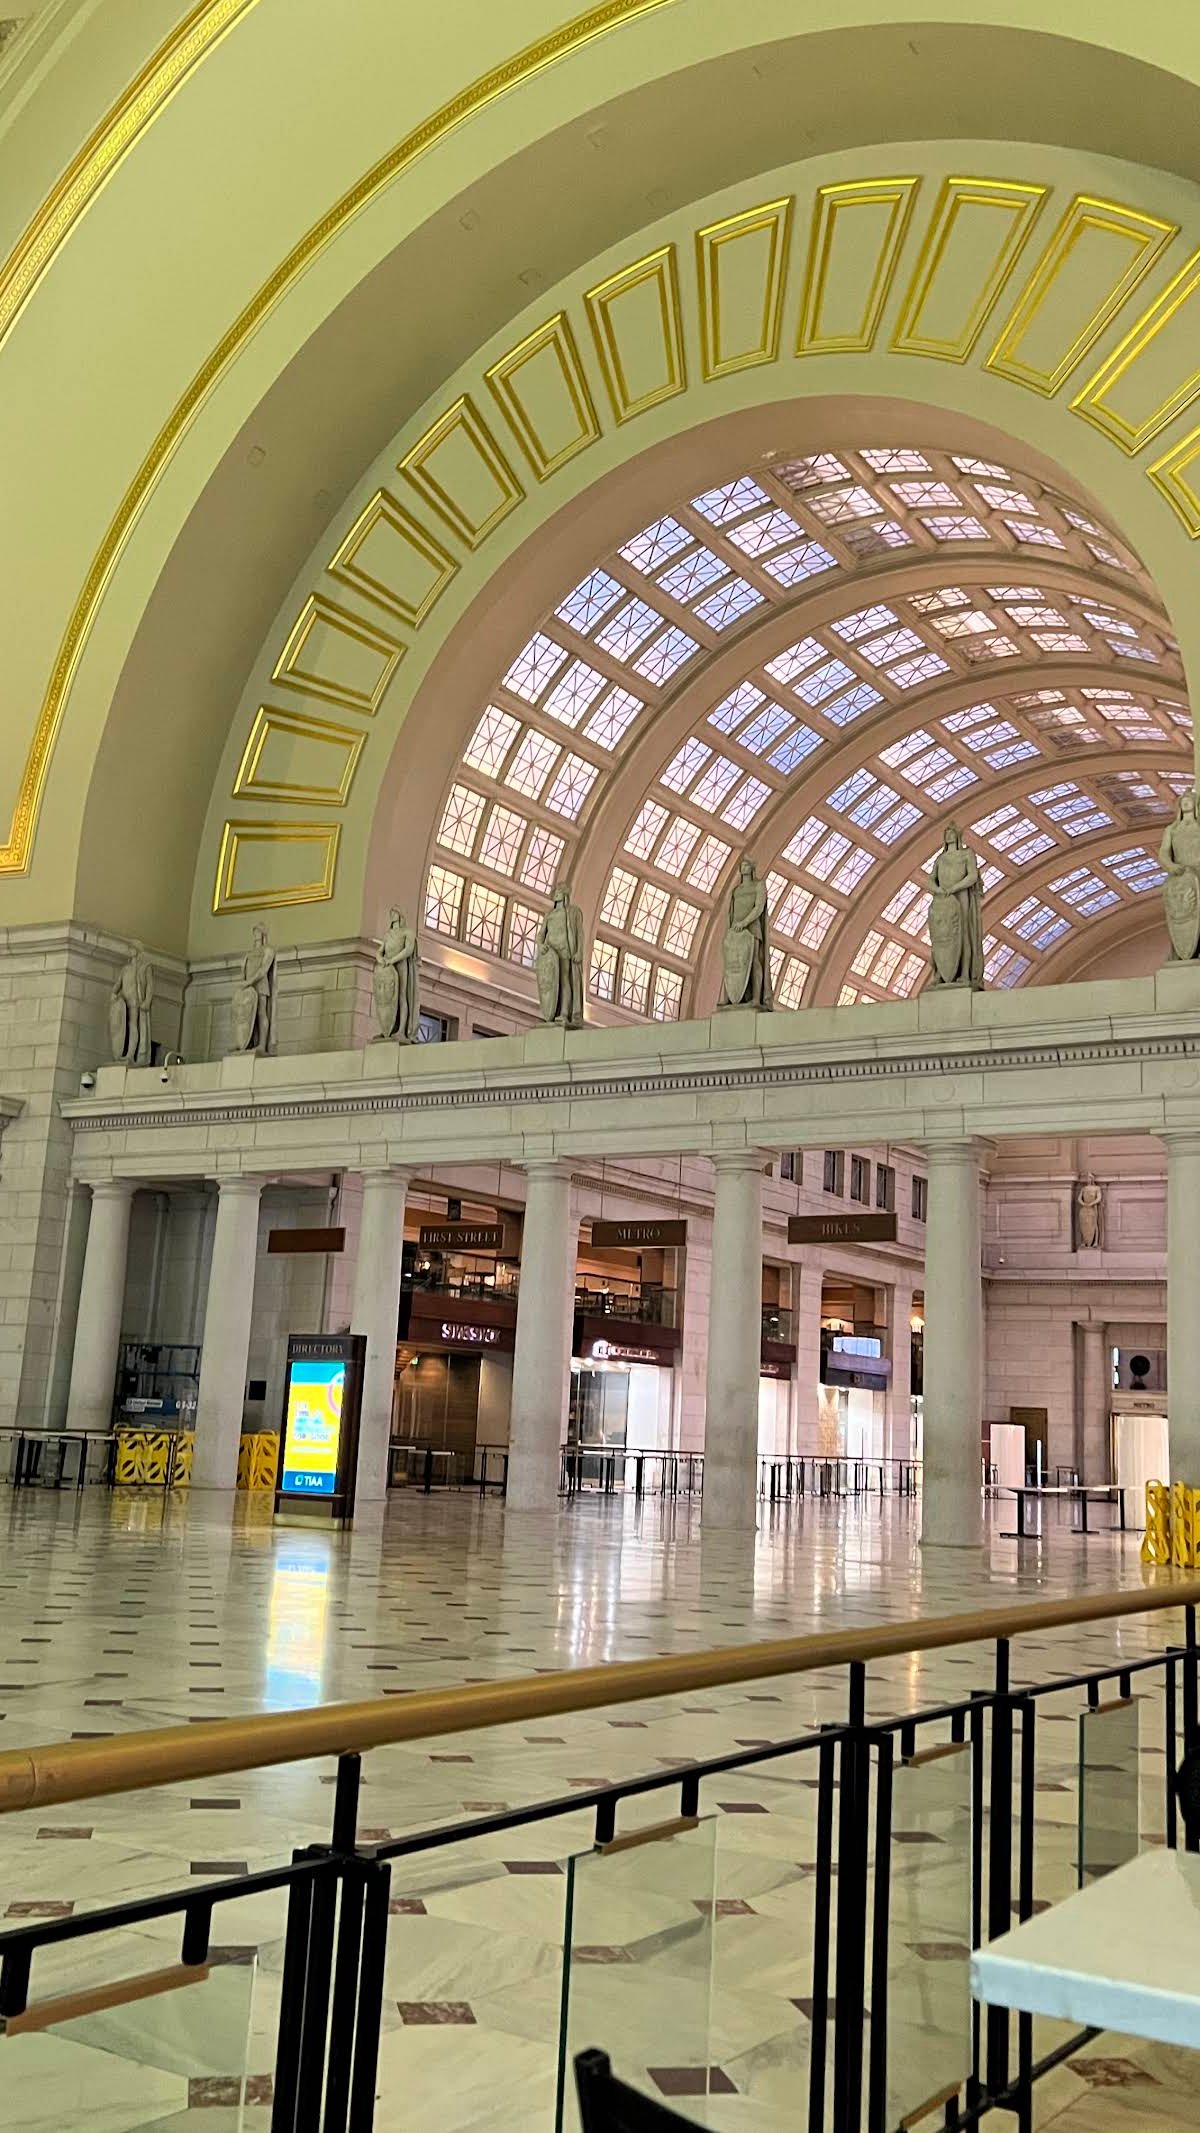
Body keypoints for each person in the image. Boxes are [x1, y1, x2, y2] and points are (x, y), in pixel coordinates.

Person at [927, 825, 983, 989]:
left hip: (961, 895)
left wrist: (954, 888)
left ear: (957, 835)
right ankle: (940, 974)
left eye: (951, 833)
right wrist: (938, 889)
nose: (949, 835)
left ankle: (964, 973)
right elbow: (930, 879)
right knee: (941, 935)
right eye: (946, 833)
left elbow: (972, 876)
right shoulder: (941, 858)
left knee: (963, 933)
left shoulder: (967, 854)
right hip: (943, 899)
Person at [718, 857, 771, 1010]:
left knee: (754, 961)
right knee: (731, 963)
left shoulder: (759, 885)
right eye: (742, 865)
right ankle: (729, 997)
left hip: (751, 929)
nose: (743, 868)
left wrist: (744, 922)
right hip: (735, 931)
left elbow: (758, 907)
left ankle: (756, 998)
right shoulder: (736, 890)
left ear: (752, 868)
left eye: (747, 865)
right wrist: (732, 928)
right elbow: (731, 912)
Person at [1159, 790, 1200, 963]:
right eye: (1183, 801)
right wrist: (1171, 866)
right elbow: (1164, 852)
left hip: (1198, 872)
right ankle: (1181, 953)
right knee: (1180, 913)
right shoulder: (1172, 829)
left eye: (1189, 800)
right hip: (1181, 875)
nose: (1186, 802)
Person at [535, 884, 584, 1028]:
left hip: (564, 951)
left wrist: (579, 951)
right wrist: (540, 945)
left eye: (560, 892)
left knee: (564, 981)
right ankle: (553, 1012)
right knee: (552, 983)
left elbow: (580, 934)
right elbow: (541, 934)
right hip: (551, 952)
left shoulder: (572, 912)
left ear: (565, 895)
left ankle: (564, 1013)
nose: (556, 894)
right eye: (556, 891)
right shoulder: (549, 915)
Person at [372, 908, 420, 1042]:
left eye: (395, 913)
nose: (392, 915)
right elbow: (380, 950)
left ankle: (401, 1031)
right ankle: (388, 1029)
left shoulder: (407, 932)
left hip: (400, 965)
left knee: (402, 996)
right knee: (387, 998)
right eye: (391, 913)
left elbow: (408, 950)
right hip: (388, 968)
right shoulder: (388, 934)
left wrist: (392, 960)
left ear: (400, 915)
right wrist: (380, 959)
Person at [231, 923, 276, 1054]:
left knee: (261, 1012)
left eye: (258, 931)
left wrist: (250, 982)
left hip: (260, 984)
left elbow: (263, 969)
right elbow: (243, 971)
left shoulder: (268, 950)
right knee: (246, 1013)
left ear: (263, 933)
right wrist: (243, 984)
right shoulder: (248, 954)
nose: (256, 934)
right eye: (254, 932)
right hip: (248, 987)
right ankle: (244, 1043)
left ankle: (262, 1044)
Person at [109, 943, 154, 1065]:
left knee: (133, 1025)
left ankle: (130, 1055)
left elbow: (150, 986)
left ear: (138, 950)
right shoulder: (125, 968)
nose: (130, 950)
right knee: (123, 1026)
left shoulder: (145, 967)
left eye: (132, 948)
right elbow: (118, 984)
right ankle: (121, 1053)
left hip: (135, 1000)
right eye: (130, 948)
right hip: (124, 1001)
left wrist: (147, 1001)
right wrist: (113, 994)